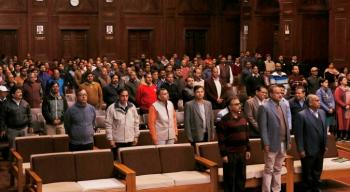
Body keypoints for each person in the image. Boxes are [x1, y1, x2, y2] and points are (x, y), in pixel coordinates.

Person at [258, 85, 291, 192]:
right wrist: (266, 143)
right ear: (271, 94)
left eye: (281, 93)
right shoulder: (264, 107)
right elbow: (263, 128)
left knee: (278, 169)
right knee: (269, 169)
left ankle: (276, 190)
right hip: (271, 143)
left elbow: (286, 124)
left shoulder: (283, 105)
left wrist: (288, 140)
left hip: (283, 142)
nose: (280, 95)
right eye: (277, 93)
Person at [216, 96, 251, 192]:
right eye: (236, 104)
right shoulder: (223, 120)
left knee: (241, 178)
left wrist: (248, 149)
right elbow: (221, 139)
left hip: (242, 152)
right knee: (230, 179)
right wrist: (223, 154)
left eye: (239, 103)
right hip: (230, 153)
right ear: (230, 107)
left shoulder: (243, 117)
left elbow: (246, 135)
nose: (239, 106)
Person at [294, 94, 327, 192]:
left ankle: (316, 186)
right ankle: (308, 188)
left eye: (319, 100)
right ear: (310, 103)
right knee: (308, 171)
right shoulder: (302, 115)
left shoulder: (322, 113)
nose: (319, 102)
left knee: (318, 169)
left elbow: (324, 130)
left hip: (320, 147)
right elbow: (298, 134)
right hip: (308, 148)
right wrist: (301, 149)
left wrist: (325, 145)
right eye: (317, 100)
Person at [105, 89, 140, 159]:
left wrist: (136, 136)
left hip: (130, 139)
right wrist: (110, 139)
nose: (125, 98)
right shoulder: (111, 108)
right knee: (117, 162)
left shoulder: (132, 107)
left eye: (126, 96)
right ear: (118, 96)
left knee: (130, 160)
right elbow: (108, 125)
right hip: (117, 140)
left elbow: (136, 123)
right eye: (123, 96)